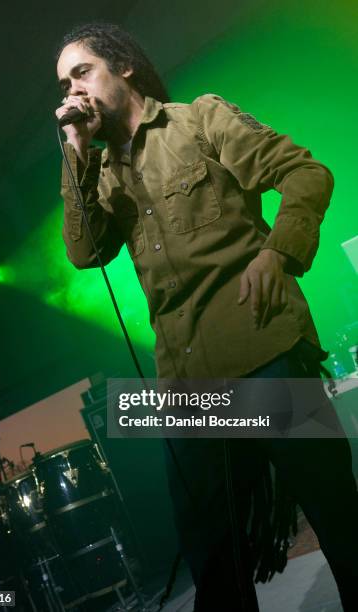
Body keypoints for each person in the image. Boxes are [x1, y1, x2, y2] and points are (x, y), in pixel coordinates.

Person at [55, 23, 358, 611]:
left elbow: (305, 173)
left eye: (82, 72)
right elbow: (83, 251)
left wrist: (279, 253)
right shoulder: (103, 175)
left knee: (341, 525)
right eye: (64, 83)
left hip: (263, 350)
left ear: (124, 68)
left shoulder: (199, 119)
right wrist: (77, 154)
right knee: (214, 568)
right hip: (184, 388)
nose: (73, 92)